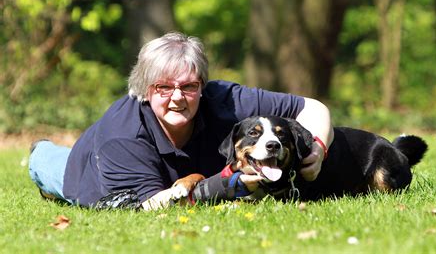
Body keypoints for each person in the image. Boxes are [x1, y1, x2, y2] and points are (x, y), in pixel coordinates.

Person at [29, 32, 334, 211]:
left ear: (202, 85)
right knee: (51, 167)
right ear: (145, 89)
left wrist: (318, 149)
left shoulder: (225, 98)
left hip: (172, 171)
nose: (177, 97)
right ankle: (39, 153)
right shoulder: (121, 137)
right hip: (94, 170)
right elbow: (151, 207)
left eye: (188, 86)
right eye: (164, 87)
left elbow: (313, 108)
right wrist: (229, 186)